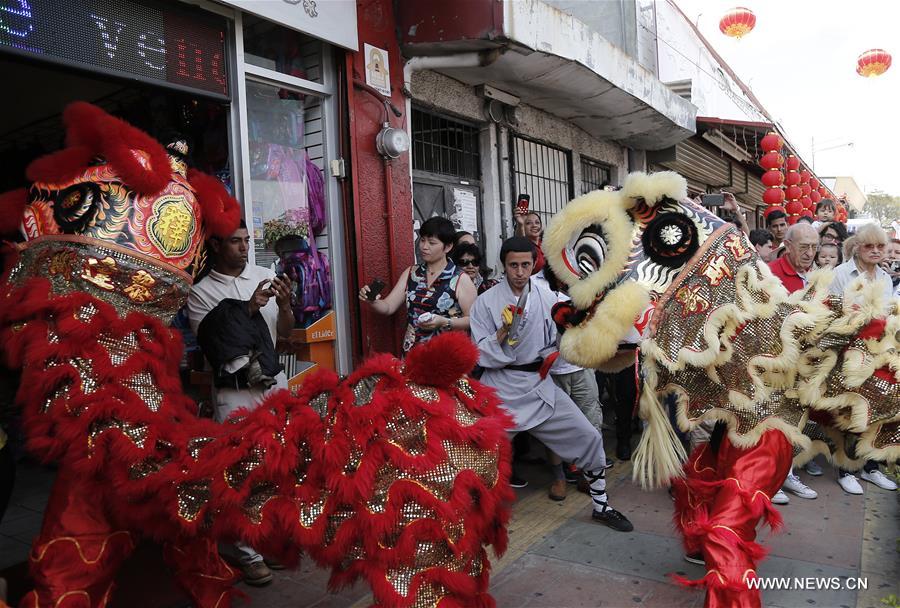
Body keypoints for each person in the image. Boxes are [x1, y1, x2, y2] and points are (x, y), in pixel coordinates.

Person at [469, 237, 633, 531]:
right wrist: (501, 335)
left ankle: (601, 505)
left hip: (538, 385)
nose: (519, 272)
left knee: (589, 437)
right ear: (503, 266)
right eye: (513, 265)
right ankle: (478, 516)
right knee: (483, 455)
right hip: (500, 388)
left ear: (534, 265)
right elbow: (478, 353)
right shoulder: (485, 303)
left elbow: (560, 343)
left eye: (525, 265)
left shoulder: (549, 299)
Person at [187, 221, 295, 587]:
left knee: (277, 466)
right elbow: (215, 344)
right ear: (216, 245)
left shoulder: (265, 275)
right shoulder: (200, 293)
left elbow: (284, 334)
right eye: (235, 242)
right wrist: (246, 309)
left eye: (247, 241)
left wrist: (285, 304)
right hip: (234, 393)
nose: (244, 247)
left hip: (272, 386)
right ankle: (249, 551)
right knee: (240, 472)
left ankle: (271, 540)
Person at [828, 224, 899, 494]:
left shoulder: (884, 277)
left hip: (879, 354)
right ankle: (846, 469)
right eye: (869, 246)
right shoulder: (840, 274)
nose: (875, 251)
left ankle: (870, 467)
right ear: (858, 246)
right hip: (848, 353)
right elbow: (829, 310)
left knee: (877, 412)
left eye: (880, 246)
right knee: (850, 412)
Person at [359, 216, 476, 353]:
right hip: (413, 355)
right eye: (422, 240)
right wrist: (372, 300)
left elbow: (473, 320)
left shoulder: (460, 278)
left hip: (447, 356)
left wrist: (444, 322)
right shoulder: (412, 273)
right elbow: (388, 307)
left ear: (448, 247)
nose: (424, 247)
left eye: (432, 243)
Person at [767, 222, 821, 504]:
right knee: (772, 422)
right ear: (787, 245)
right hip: (776, 365)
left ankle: (786, 474)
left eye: (814, 247)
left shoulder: (817, 275)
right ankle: (769, 479)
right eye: (804, 247)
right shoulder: (772, 274)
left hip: (806, 364)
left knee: (795, 422)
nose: (810, 253)